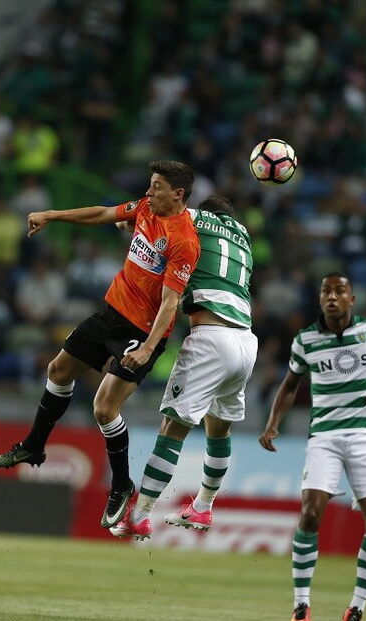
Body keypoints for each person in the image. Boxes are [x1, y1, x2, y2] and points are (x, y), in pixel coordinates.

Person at [0, 161, 201, 529]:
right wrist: (51, 215)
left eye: (156, 186)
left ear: (177, 193)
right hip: (110, 312)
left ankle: (121, 484)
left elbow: (170, 303)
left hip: (142, 330)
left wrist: (149, 348)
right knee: (58, 369)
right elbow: (103, 213)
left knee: (104, 409)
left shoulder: (183, 240)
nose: (148, 192)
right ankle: (34, 444)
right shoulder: (147, 208)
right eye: (149, 186)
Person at [108, 193, 258, 540]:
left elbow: (158, 216)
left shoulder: (191, 219)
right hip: (246, 342)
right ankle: (204, 506)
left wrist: (125, 220)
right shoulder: (244, 237)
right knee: (219, 429)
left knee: (171, 429)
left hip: (210, 337)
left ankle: (140, 515)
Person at [259, 273, 366, 621]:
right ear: (320, 299)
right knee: (309, 513)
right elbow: (290, 385)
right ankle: (301, 604)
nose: (332, 297)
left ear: (352, 299)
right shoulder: (305, 340)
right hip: (324, 437)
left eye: (340, 291)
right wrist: (273, 422)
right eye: (326, 291)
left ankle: (357, 607)